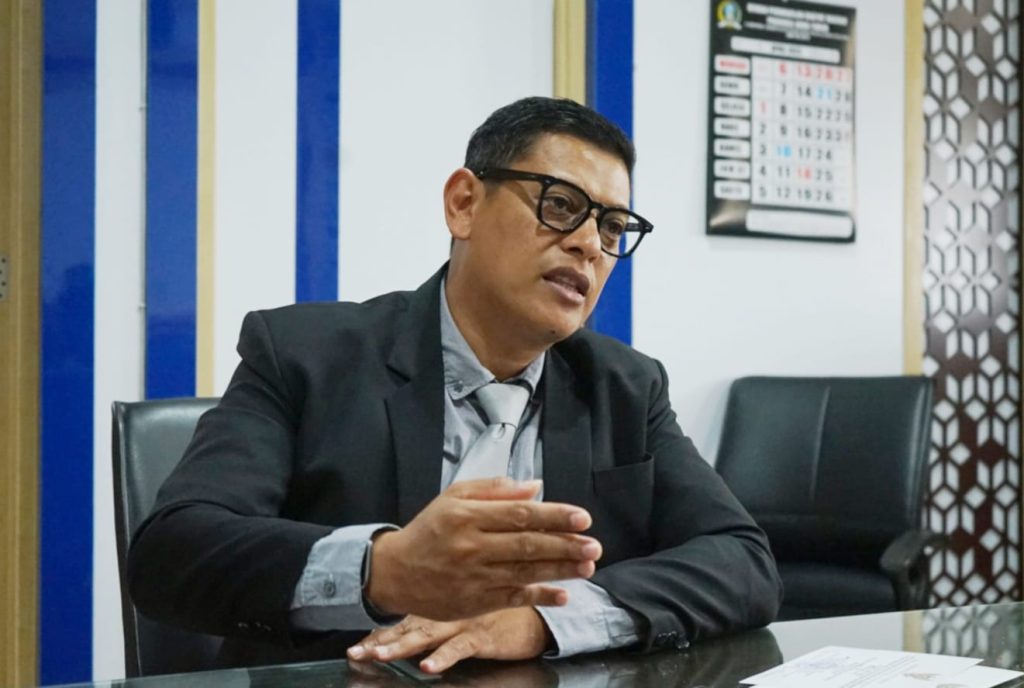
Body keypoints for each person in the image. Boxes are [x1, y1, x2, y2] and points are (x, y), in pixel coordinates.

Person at [128, 96, 782, 674]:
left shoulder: (625, 386)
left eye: (612, 228)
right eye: (561, 205)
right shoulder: (305, 355)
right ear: (464, 203)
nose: (589, 244)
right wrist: (384, 569)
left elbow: (743, 560)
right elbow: (171, 552)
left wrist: (542, 622)